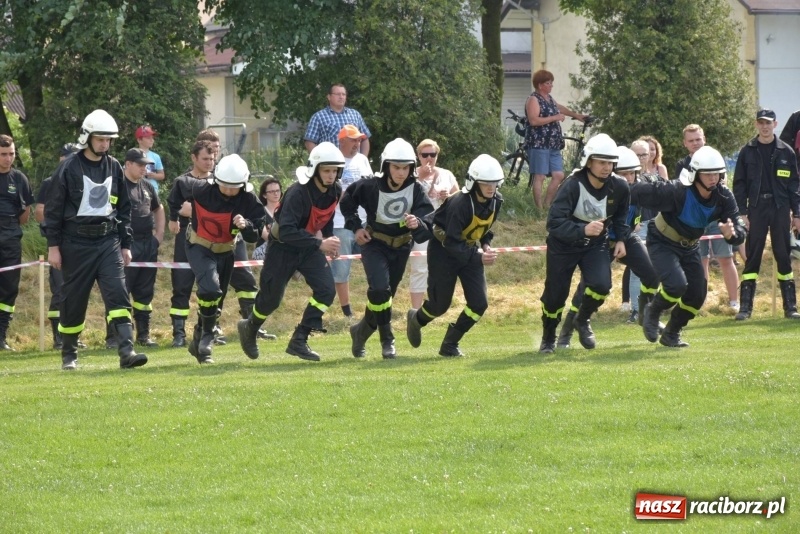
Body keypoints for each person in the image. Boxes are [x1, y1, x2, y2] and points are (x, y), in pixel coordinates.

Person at [45, 109, 148, 370]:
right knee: (74, 300)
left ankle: (127, 351)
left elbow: (123, 209)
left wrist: (125, 244)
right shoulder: (68, 167)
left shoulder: (114, 166)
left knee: (118, 294)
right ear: (87, 137)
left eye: (108, 139)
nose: (105, 144)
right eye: (100, 138)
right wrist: (53, 247)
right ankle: (69, 354)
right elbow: (53, 210)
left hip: (107, 242)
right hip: (75, 244)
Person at [237, 143, 343, 362]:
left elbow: (327, 216)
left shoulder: (335, 190)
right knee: (271, 300)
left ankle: (299, 339)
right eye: (326, 170)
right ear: (315, 169)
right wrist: (319, 244)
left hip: (309, 248)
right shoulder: (297, 193)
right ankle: (250, 327)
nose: (331, 175)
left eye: (334, 170)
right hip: (283, 248)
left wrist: (330, 240)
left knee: (326, 291)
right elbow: (286, 232)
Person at [632, 146, 747, 347]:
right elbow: (638, 192)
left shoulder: (724, 196)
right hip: (662, 241)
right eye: (708, 173)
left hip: (690, 246)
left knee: (697, 294)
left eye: (717, 173)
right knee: (676, 285)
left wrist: (732, 234)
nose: (714, 178)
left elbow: (738, 227)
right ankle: (653, 310)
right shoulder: (677, 190)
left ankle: (671, 333)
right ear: (695, 173)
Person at [556, 146, 660, 347]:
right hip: (600, 242)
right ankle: (567, 332)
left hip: (625, 238)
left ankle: (646, 313)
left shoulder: (637, 189)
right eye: (623, 173)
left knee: (652, 272)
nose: (629, 178)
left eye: (632, 173)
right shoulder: (603, 190)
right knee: (589, 287)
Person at [341, 138, 434, 359]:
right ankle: (387, 340)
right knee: (380, 290)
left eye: (405, 168)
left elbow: (429, 219)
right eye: (396, 167)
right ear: (386, 166)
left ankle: (360, 332)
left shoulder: (417, 189)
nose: (401, 172)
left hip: (402, 247)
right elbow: (346, 202)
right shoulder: (369, 185)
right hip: (374, 244)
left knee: (384, 296)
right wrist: (356, 228)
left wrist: (417, 223)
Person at [167, 154, 264, 364]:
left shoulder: (249, 199)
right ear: (216, 181)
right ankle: (208, 337)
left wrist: (245, 225)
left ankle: (199, 343)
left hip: (226, 250)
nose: (229, 192)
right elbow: (177, 187)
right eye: (225, 186)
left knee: (215, 299)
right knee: (210, 289)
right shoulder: (200, 188)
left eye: (234, 187)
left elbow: (254, 235)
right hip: (198, 246)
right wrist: (173, 216)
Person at [538, 133, 629, 353]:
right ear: (588, 162)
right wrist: (582, 229)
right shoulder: (571, 185)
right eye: (601, 162)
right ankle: (548, 337)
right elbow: (554, 223)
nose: (606, 167)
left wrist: (620, 239)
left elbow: (620, 216)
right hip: (563, 246)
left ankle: (583, 319)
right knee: (555, 297)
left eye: (610, 162)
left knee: (601, 286)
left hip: (595, 245)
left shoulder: (620, 186)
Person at [406, 154, 502, 357]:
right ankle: (416, 319)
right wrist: (478, 257)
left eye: (494, 183)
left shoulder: (497, 201)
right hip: (444, 253)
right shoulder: (460, 203)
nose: (491, 188)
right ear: (473, 182)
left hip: (468, 251)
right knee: (440, 306)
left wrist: (485, 245)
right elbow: (451, 243)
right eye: (485, 183)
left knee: (479, 305)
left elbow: (486, 230)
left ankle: (450, 344)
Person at [732, 109, 800, 320]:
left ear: (775, 124)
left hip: (780, 209)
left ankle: (790, 308)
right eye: (761, 122)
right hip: (756, 209)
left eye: (768, 123)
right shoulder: (747, 151)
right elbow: (739, 184)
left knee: (783, 256)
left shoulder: (786, 151)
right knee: (752, 258)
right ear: (756, 125)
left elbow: (794, 186)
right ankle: (745, 309)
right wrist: (742, 212)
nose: (764, 126)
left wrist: (797, 213)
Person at [677, 124, 740, 313]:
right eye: (691, 140)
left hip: (717, 219)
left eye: (698, 139)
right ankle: (701, 301)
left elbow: (723, 189)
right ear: (685, 144)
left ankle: (734, 302)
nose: (696, 143)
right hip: (695, 221)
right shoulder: (682, 165)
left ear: (704, 139)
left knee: (726, 258)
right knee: (700, 260)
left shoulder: (715, 158)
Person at [35, 143, 85, 349]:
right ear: (60, 159)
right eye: (68, 156)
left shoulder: (80, 181)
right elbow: (40, 212)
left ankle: (73, 336)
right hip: (58, 243)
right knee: (60, 291)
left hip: (78, 242)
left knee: (76, 291)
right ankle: (58, 337)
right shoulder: (50, 182)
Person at [167, 140, 217, 346]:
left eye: (212, 159)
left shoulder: (219, 181)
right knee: (181, 285)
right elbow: (179, 207)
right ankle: (179, 334)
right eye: (205, 159)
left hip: (213, 239)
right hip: (186, 235)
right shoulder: (182, 182)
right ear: (194, 158)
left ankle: (208, 331)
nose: (209, 163)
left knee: (211, 287)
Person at [524, 69, 589, 210]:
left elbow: (560, 108)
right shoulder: (533, 99)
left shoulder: (550, 99)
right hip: (539, 143)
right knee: (540, 176)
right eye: (548, 83)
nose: (551, 85)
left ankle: (548, 204)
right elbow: (534, 120)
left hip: (553, 143)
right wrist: (555, 117)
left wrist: (576, 115)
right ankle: (538, 208)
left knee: (559, 175)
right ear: (540, 85)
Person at [121, 148, 166, 346]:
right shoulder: (117, 186)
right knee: (121, 291)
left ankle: (143, 335)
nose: (144, 169)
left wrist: (159, 235)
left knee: (145, 292)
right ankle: (116, 337)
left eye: (146, 165)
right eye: (140, 165)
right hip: (126, 245)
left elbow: (159, 208)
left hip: (148, 244)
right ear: (128, 164)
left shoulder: (147, 185)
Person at [409, 139, 459, 310]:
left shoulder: (446, 174)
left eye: (433, 154)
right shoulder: (411, 174)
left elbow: (459, 200)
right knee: (419, 267)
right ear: (418, 156)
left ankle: (434, 305)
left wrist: (448, 197)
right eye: (425, 155)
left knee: (439, 268)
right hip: (420, 226)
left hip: (441, 227)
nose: (429, 158)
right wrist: (421, 177)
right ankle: (415, 309)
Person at [331, 125, 372, 322]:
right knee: (342, 268)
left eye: (359, 140)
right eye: (353, 140)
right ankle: (346, 311)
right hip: (340, 223)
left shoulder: (363, 160)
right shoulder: (334, 161)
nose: (357, 143)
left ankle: (375, 305)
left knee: (373, 263)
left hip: (364, 222)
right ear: (342, 141)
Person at [0, 134, 34, 351]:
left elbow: (25, 214)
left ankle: (1, 336)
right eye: (3, 154)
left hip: (11, 239)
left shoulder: (19, 178)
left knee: (9, 289)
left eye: (11, 154)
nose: (8, 158)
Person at [304, 84, 371, 156]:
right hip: (331, 164)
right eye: (338, 94)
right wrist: (320, 159)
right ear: (329, 97)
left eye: (343, 94)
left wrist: (363, 159)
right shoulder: (318, 117)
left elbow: (365, 138)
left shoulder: (355, 115)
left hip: (354, 163)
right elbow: (309, 141)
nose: (341, 97)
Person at [135, 125, 165, 193]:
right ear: (139, 140)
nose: (152, 140)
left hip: (153, 191)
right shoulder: (133, 154)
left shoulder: (156, 156)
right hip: (137, 190)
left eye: (152, 138)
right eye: (148, 138)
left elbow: (162, 175)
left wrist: (153, 175)